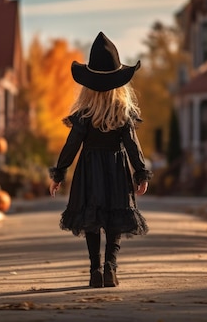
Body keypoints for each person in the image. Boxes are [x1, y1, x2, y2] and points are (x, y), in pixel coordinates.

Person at [49, 32, 152, 288]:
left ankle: (95, 271)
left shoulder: (84, 115)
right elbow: (132, 145)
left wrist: (59, 173)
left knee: (92, 218)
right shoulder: (121, 114)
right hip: (116, 169)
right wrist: (140, 172)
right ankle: (110, 268)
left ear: (88, 86)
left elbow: (72, 145)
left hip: (89, 170)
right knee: (115, 216)